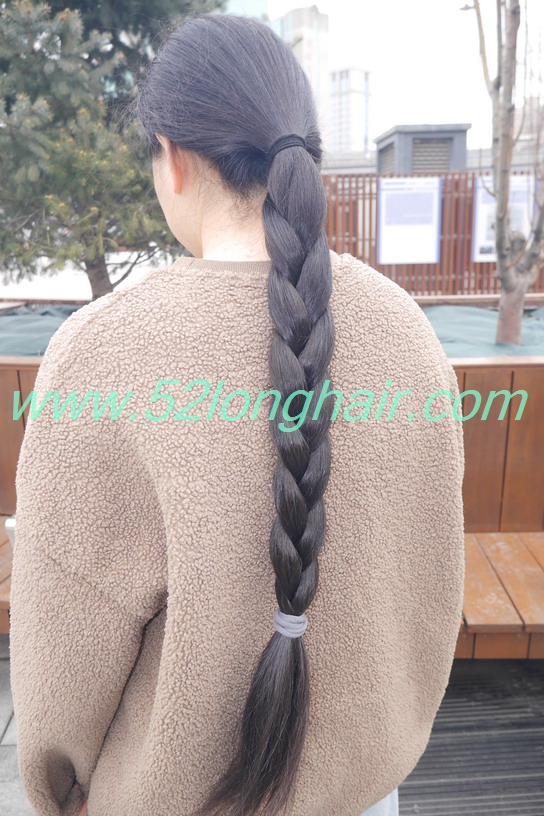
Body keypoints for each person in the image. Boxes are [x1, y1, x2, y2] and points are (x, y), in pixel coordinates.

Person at [9, 12, 465, 816]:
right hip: (369, 792)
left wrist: (59, 793)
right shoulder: (407, 332)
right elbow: (431, 581)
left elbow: (64, 655)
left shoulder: (100, 356)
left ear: (174, 157)